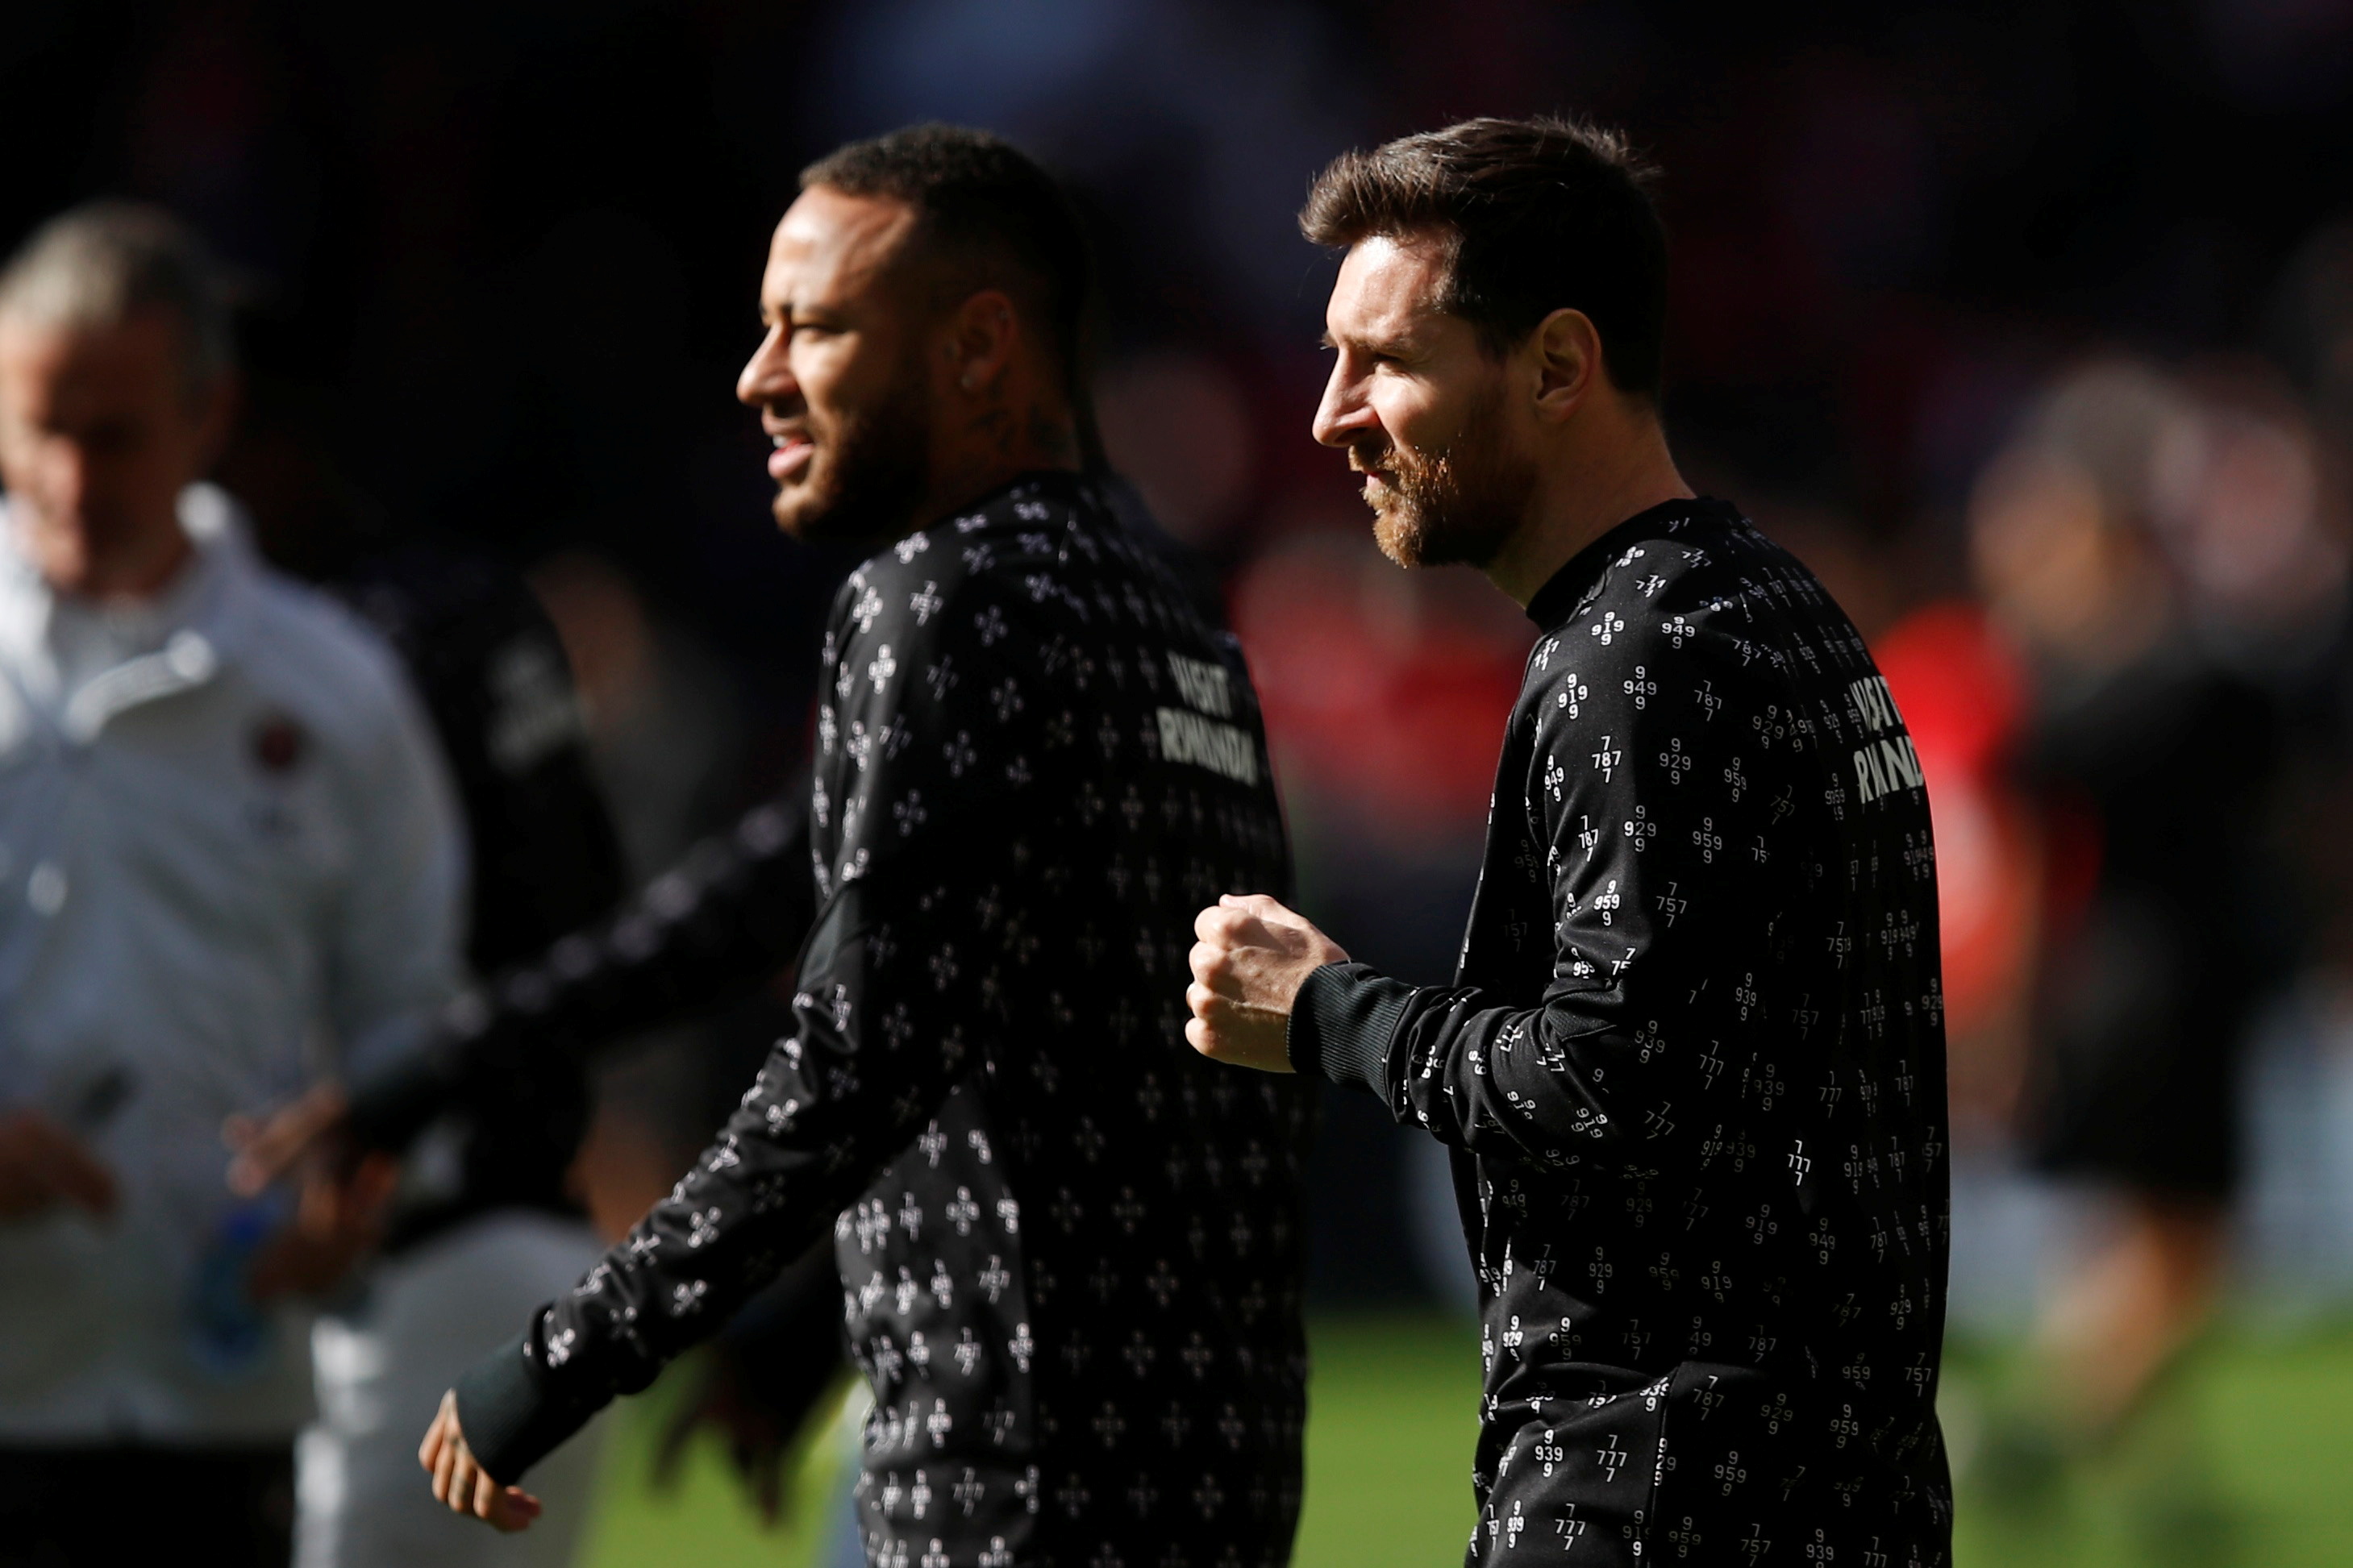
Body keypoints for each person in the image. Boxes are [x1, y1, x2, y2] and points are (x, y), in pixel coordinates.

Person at [411, 125, 1313, 1568]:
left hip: (1005, 1477)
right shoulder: (1172, 620)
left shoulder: (938, 595)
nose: (757, 374)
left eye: (814, 327)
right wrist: (805, 1333)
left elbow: (852, 1059)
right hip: (1217, 1469)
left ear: (977, 348)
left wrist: (567, 1354)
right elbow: (1082, 1066)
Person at [1184, 118, 1953, 1566]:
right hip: (1846, 1493)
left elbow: (1609, 1080)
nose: (1331, 415)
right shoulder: (1775, 605)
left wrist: (1325, 1010)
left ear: (1552, 367)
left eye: (1384, 361)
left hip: (1659, 1493)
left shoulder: (1636, 655)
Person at [0, 204, 463, 1566]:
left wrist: (354, 1195)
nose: (73, 479)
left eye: (115, 435)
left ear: (210, 415)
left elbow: (413, 1015)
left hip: (225, 1390)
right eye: (39, 429)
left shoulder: (334, 690)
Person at [209, 334, 635, 1568]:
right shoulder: (473, 602)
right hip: (522, 1252)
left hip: (387, 1259)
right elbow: (596, 906)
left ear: (230, 434)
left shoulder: (319, 662)